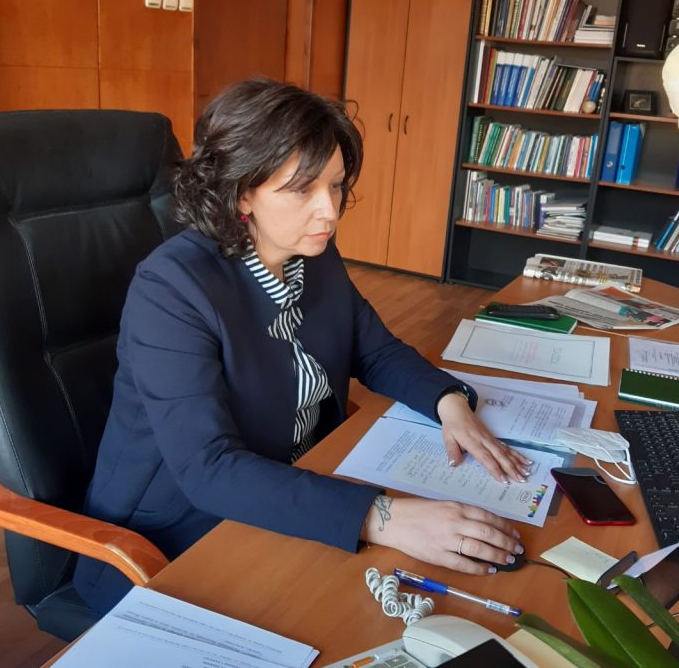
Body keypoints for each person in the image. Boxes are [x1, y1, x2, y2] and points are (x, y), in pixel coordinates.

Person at [73, 78, 530, 614]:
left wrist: (449, 403)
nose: (329, 211)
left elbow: (374, 350)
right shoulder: (171, 289)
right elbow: (209, 469)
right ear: (242, 192)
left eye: (335, 186)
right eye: (302, 190)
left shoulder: (311, 253)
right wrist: (384, 517)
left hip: (294, 491)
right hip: (176, 539)